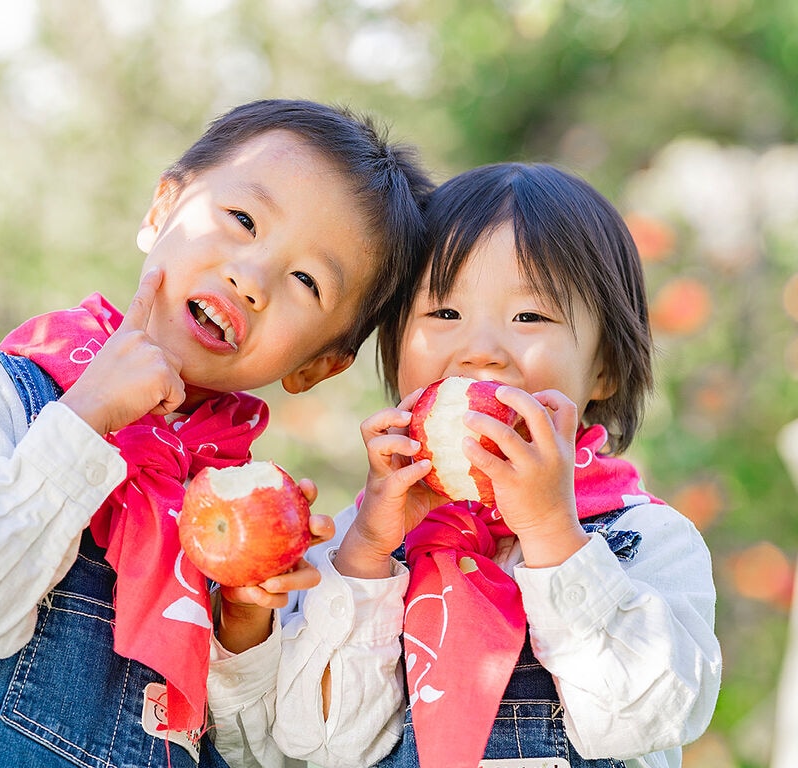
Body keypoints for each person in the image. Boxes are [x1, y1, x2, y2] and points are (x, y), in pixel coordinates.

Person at [0, 98, 433, 768]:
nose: (252, 278)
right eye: (242, 219)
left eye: (307, 280)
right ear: (161, 210)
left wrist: (242, 623)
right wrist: (86, 419)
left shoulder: (235, 510)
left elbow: (249, 752)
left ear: (319, 367)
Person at [259, 162, 722, 768]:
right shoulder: (360, 544)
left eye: (530, 317)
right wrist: (367, 557)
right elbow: (317, 740)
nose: (481, 351)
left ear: (604, 368)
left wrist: (554, 534)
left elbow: (646, 716)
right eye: (444, 315)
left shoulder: (648, 541)